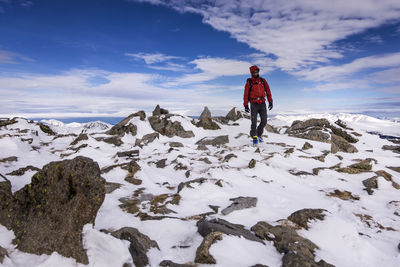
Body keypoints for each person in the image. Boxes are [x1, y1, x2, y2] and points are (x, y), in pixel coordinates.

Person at [243, 65, 273, 145]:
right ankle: (254, 137)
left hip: (262, 103)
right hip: (254, 104)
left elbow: (268, 91)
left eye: (257, 71)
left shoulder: (263, 81)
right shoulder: (249, 82)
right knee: (254, 122)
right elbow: (246, 94)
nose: (256, 73)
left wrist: (270, 101)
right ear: (251, 73)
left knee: (264, 121)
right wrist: (246, 105)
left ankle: (259, 134)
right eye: (254, 72)